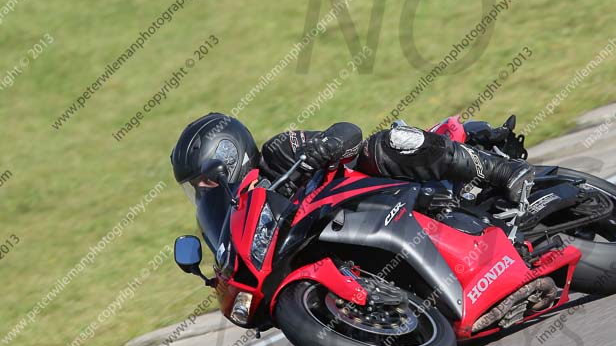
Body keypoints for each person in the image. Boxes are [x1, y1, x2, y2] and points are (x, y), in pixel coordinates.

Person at [171, 113, 534, 206]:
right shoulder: (240, 217)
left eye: (203, 180)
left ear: (228, 155)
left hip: (383, 192)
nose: (202, 191)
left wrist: (325, 146)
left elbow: (349, 132)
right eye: (194, 186)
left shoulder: (279, 152)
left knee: (384, 144)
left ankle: (503, 169)